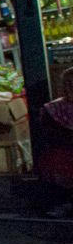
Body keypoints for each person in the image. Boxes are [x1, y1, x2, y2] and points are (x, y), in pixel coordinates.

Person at [35, 67, 73, 218]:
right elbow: (49, 135)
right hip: (63, 151)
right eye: (68, 83)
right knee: (55, 161)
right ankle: (64, 203)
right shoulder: (52, 109)